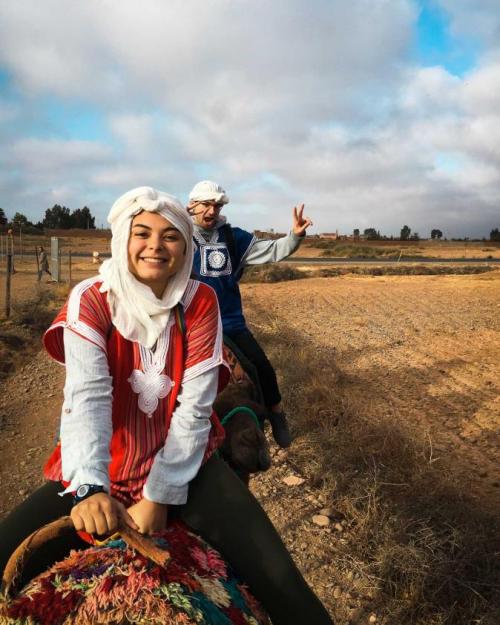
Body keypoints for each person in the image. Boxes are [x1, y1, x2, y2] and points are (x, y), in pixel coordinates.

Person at [0, 187, 333, 625]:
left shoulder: (200, 302)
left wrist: (159, 495)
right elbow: (87, 397)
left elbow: (195, 408)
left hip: (186, 467)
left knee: (286, 588)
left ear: (184, 246)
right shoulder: (91, 298)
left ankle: (275, 410)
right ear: (123, 238)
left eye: (170, 236)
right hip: (105, 466)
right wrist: (90, 489)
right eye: (142, 233)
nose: (156, 245)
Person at [188, 180, 312, 448]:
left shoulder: (234, 238)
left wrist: (294, 237)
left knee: (261, 369)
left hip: (231, 323)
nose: (211, 211)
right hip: (193, 326)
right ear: (191, 205)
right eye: (206, 204)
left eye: (217, 205)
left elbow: (272, 250)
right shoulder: (179, 237)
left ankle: (275, 415)